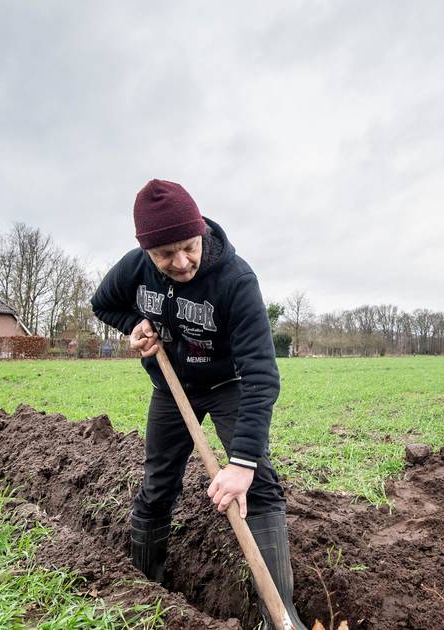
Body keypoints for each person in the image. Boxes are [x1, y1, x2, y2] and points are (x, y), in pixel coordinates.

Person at [91, 179, 306, 628]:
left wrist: (242, 462)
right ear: (147, 252)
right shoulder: (134, 269)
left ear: (201, 232)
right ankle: (143, 589)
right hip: (173, 386)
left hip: (228, 382)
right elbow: (103, 304)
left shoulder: (236, 280)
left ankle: (278, 615)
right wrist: (136, 324)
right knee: (157, 486)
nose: (181, 261)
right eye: (165, 255)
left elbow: (262, 375)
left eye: (188, 247)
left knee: (259, 486)